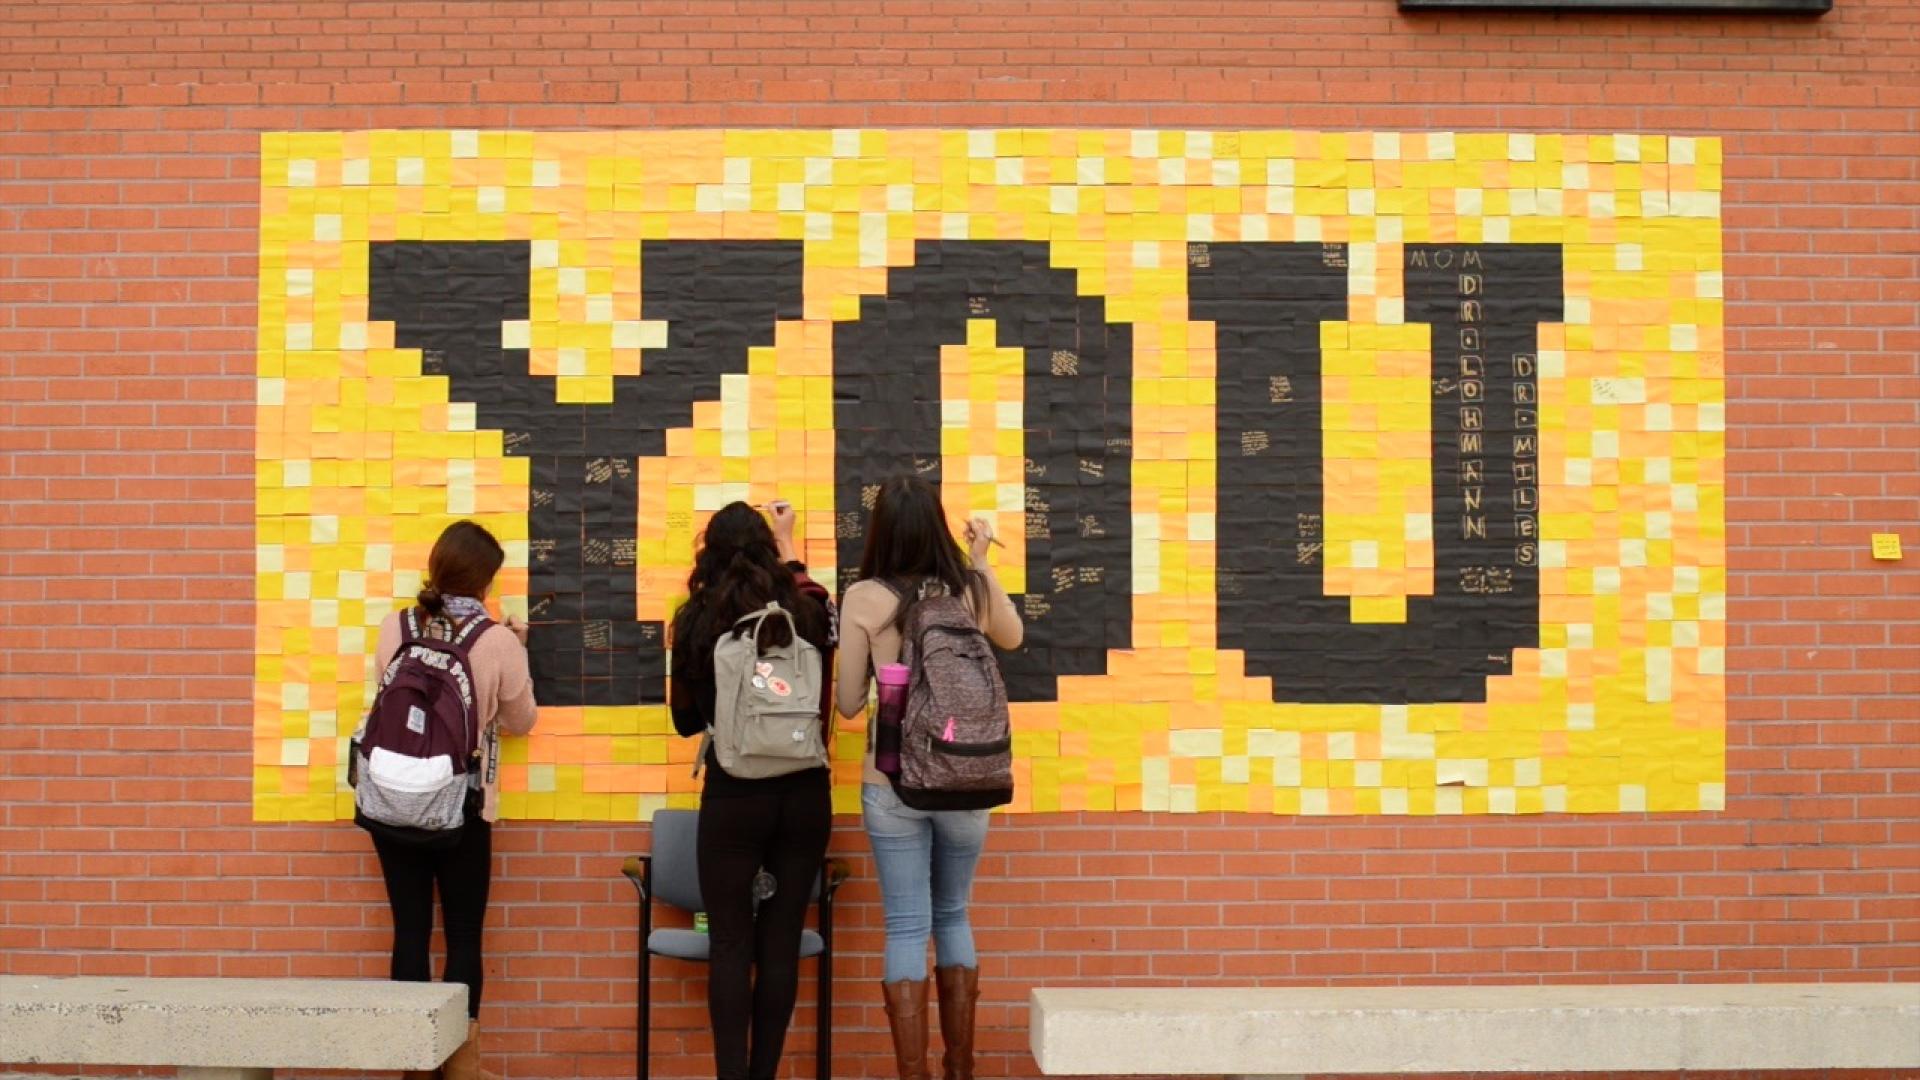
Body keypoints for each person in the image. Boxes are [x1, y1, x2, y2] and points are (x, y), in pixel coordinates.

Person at [835, 476, 1023, 1080]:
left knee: (908, 925)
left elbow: (845, 705)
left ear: (882, 529)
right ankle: (960, 1070)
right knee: (954, 915)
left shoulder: (863, 596)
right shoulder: (967, 589)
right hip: (968, 778)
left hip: (891, 782)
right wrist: (980, 562)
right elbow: (1014, 637)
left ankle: (913, 1074)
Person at [669, 500, 836, 1080]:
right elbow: (824, 693)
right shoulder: (805, 613)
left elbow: (685, 722)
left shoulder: (694, 618)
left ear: (706, 553)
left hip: (733, 793)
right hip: (805, 792)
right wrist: (792, 551)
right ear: (769, 548)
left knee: (731, 946)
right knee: (782, 939)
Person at [368, 519, 537, 1080]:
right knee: (463, 936)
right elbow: (521, 721)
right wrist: (519, 648)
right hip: (463, 807)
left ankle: (411, 1066)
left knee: (409, 932)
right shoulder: (496, 640)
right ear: (486, 580)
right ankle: (460, 1067)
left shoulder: (397, 626)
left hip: (393, 802)